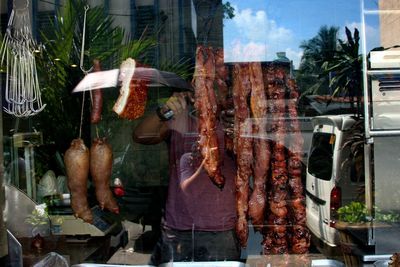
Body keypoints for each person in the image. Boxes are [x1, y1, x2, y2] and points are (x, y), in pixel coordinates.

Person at [132, 91, 240, 264]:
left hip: (221, 227)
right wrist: (164, 110)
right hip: (178, 227)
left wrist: (238, 131)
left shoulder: (231, 122)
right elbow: (140, 135)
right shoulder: (179, 118)